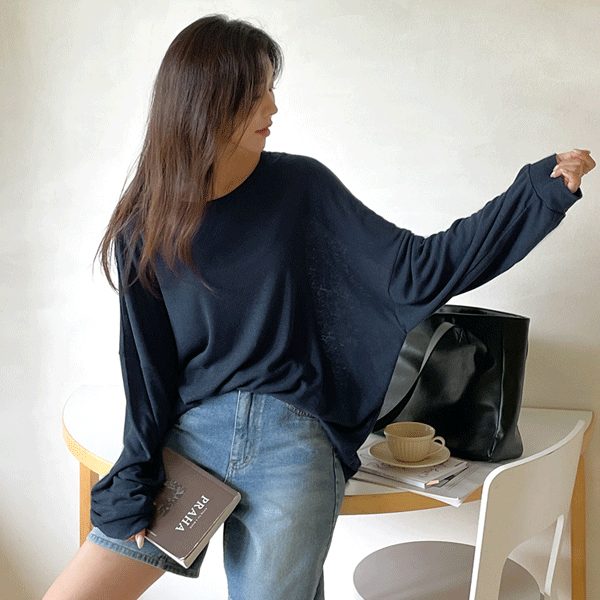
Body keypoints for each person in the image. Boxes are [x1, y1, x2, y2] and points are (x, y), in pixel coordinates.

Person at [43, 14, 595, 600]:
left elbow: (418, 269)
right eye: (257, 93)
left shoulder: (300, 188)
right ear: (209, 104)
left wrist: (535, 196)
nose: (273, 107)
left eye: (270, 89)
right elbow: (146, 369)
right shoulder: (146, 222)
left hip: (294, 440)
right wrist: (135, 472)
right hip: (192, 440)